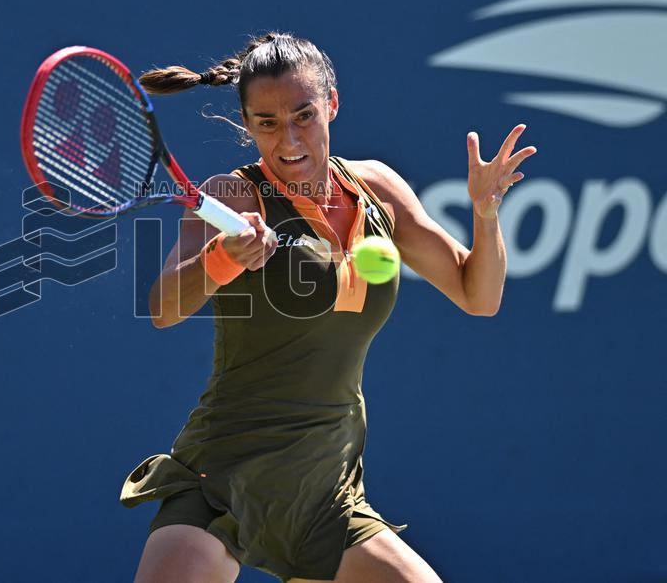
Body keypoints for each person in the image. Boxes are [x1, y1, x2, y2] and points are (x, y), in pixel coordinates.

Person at [119, 32, 537, 583]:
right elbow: (163, 306)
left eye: (304, 115)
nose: (288, 138)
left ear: (332, 104)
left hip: (327, 495)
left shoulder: (378, 189)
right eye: (266, 122)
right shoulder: (233, 196)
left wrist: (485, 215)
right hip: (220, 478)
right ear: (246, 125)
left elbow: (477, 295)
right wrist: (225, 256)